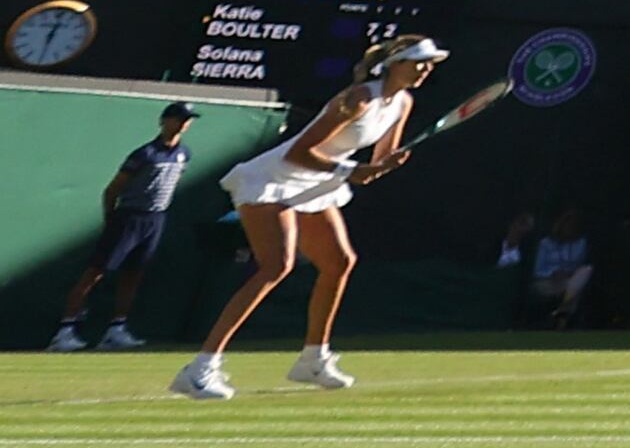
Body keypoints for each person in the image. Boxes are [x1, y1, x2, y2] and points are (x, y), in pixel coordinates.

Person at [174, 33, 444, 399]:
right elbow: (299, 153)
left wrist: (385, 166)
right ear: (395, 64)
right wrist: (351, 171)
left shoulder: (402, 104)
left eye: (429, 64)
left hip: (318, 182)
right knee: (275, 267)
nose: (426, 69)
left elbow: (378, 161)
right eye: (419, 62)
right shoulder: (357, 98)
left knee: (339, 262)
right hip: (273, 178)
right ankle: (200, 368)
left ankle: (312, 359)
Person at [49, 98, 196, 352]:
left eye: (188, 120)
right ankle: (64, 332)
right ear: (165, 121)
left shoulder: (184, 154)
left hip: (155, 219)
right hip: (128, 217)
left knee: (133, 275)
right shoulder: (144, 154)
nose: (184, 124)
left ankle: (116, 330)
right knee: (95, 273)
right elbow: (112, 190)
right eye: (179, 118)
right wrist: (112, 220)